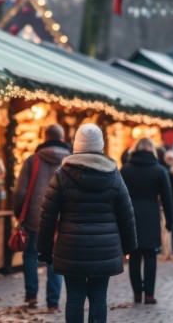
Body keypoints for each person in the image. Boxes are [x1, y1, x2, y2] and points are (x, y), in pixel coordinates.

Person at [38, 123, 137, 323]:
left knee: (74, 297)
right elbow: (126, 213)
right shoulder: (113, 174)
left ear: (76, 145)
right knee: (99, 297)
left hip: (72, 248)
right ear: (100, 145)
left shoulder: (62, 175)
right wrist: (129, 247)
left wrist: (44, 249)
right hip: (105, 248)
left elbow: (47, 216)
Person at [12, 125, 70, 312]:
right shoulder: (70, 162)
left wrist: (19, 213)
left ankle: (31, 297)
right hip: (60, 218)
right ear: (62, 138)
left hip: (34, 217)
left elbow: (20, 191)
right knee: (55, 258)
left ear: (45, 137)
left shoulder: (33, 160)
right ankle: (53, 303)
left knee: (30, 255)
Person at [120, 138, 173, 304]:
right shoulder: (159, 170)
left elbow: (119, 196)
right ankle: (149, 294)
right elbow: (167, 198)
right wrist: (170, 221)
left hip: (131, 215)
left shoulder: (126, 170)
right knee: (150, 255)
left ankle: (137, 293)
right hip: (151, 214)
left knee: (134, 256)